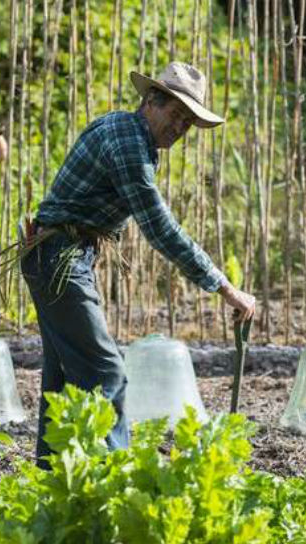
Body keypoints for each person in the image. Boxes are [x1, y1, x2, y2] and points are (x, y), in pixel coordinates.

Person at [20, 61, 256, 469]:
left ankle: (51, 484)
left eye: (188, 122)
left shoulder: (127, 132)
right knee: (106, 370)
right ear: (151, 100)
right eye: (176, 115)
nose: (180, 129)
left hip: (58, 255)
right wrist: (225, 287)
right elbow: (159, 228)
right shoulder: (128, 142)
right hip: (58, 257)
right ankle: (117, 485)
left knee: (63, 378)